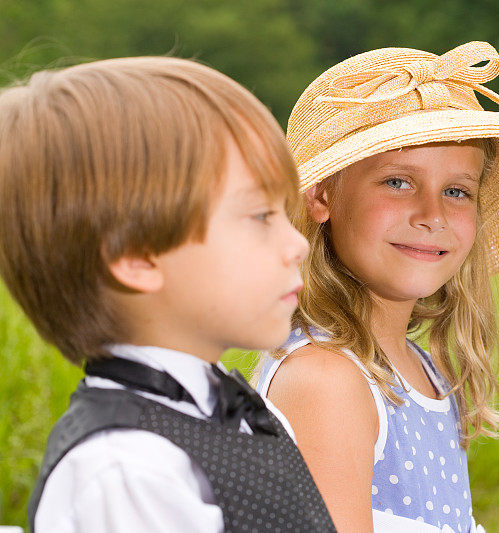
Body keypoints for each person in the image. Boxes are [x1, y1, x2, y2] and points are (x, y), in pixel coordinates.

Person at [253, 41, 499, 532]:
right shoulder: (327, 380)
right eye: (397, 182)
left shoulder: (424, 369)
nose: (432, 215)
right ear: (321, 195)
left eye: (457, 191)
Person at [0, 57, 336, 532]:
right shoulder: (126, 471)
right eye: (261, 216)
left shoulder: (217, 407)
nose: (298, 243)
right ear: (137, 257)